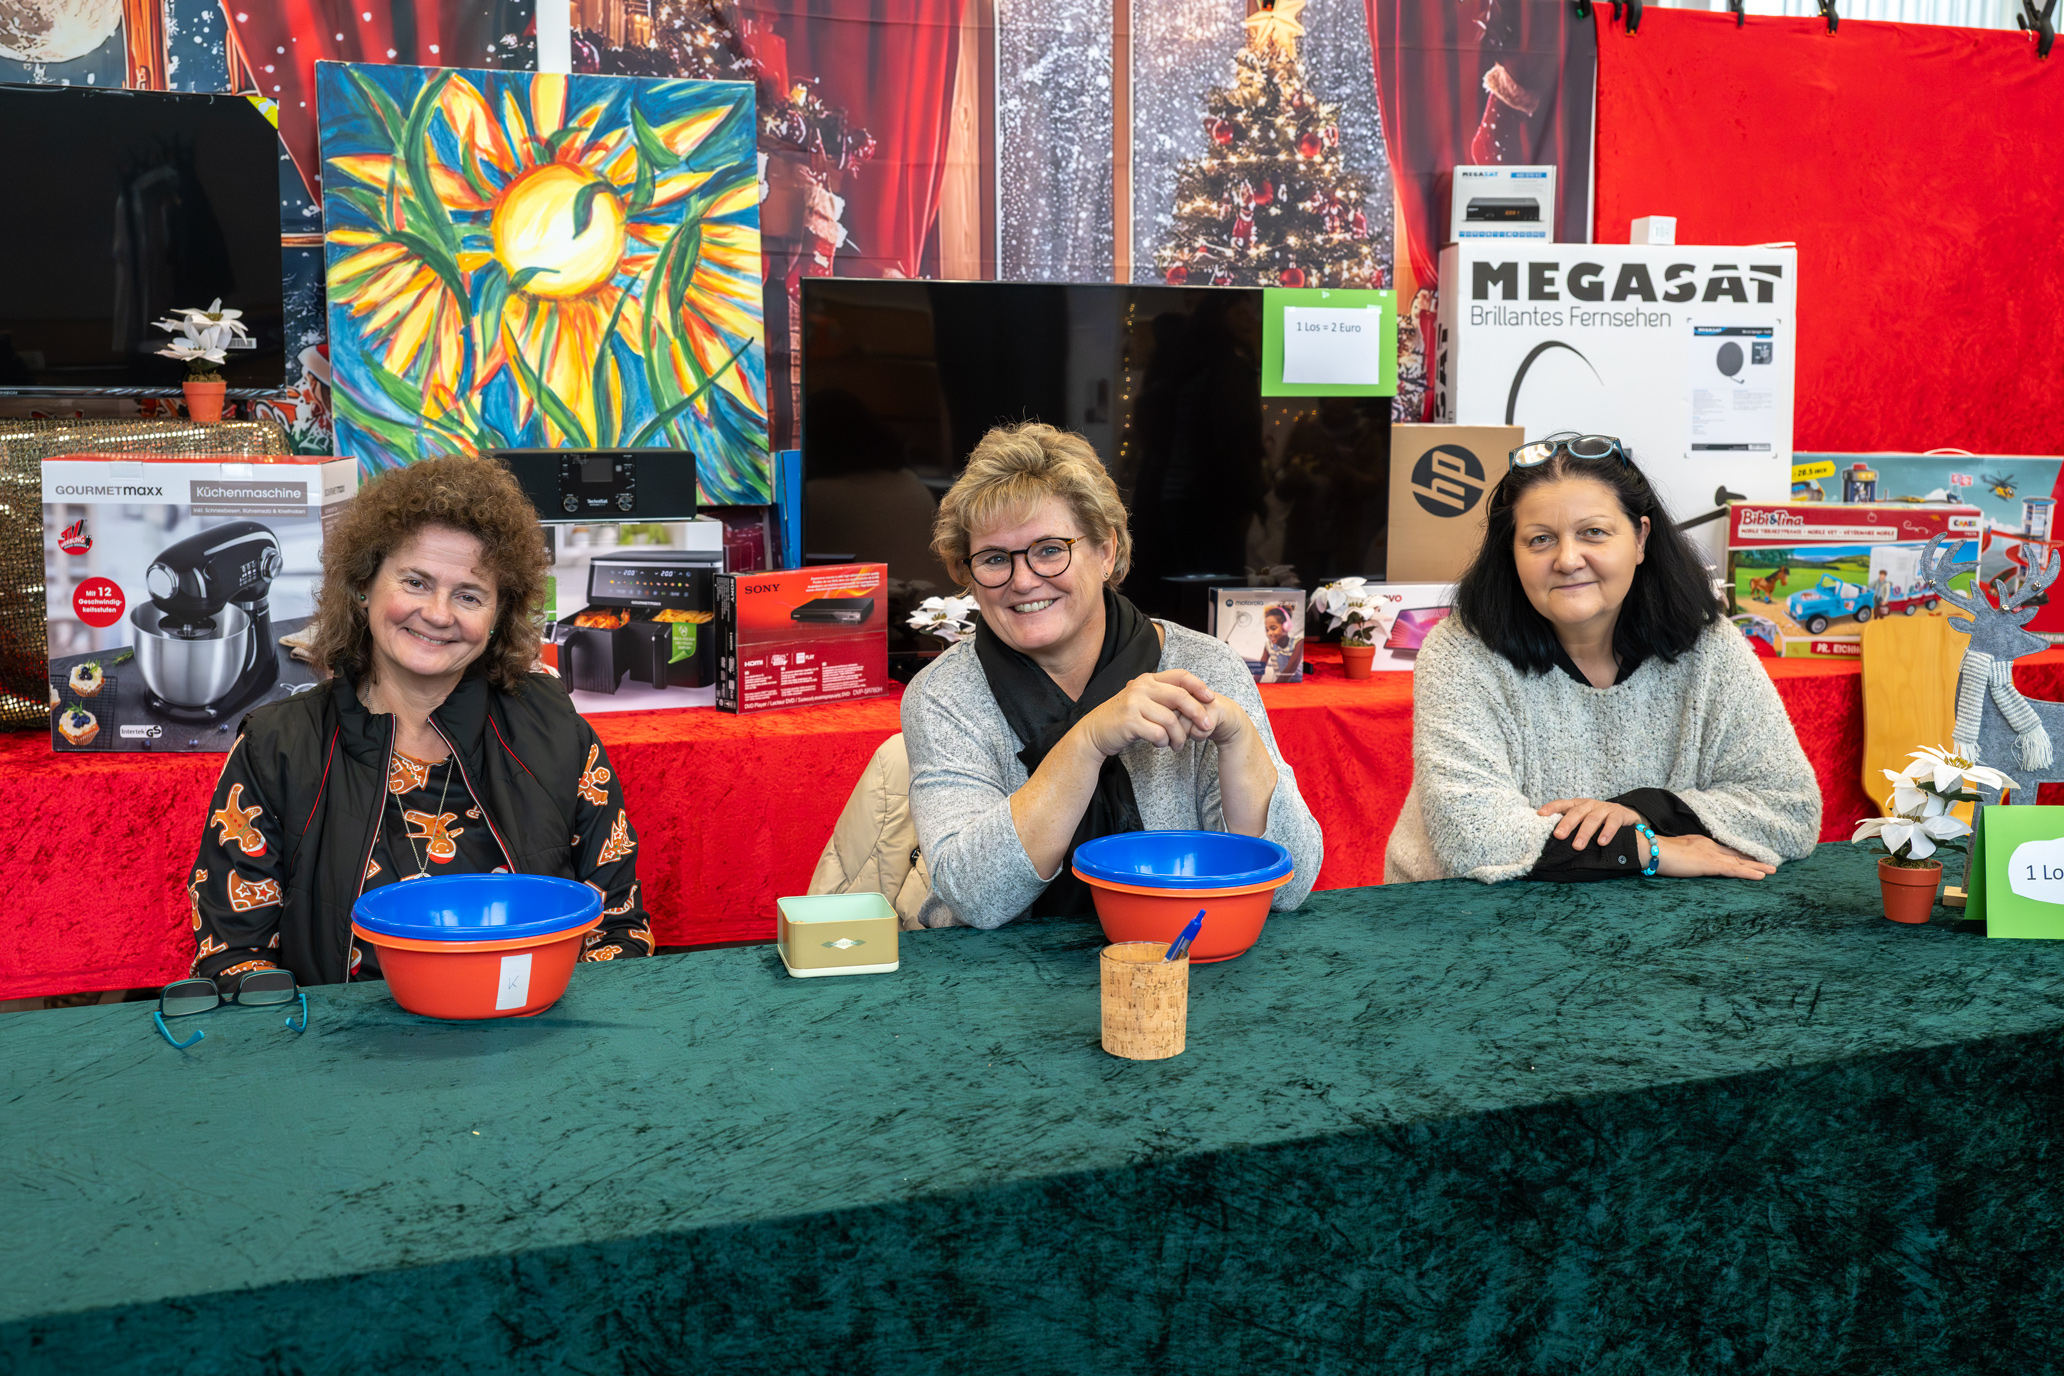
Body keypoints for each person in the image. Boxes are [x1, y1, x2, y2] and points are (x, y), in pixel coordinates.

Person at [186, 455, 654, 991]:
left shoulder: (557, 733)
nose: (437, 613)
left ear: (499, 615)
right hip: (345, 1039)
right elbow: (234, 958)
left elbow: (617, 930)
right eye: (415, 582)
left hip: (534, 1024)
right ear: (363, 585)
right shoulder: (277, 746)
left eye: (469, 595)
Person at [902, 422, 1324, 928]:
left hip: (1182, 956)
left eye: (1049, 550)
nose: (1023, 580)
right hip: (997, 970)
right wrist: (1087, 743)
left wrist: (1240, 742)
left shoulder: (1205, 666)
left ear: (1105, 550)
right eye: (994, 559)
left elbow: (1289, 887)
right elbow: (975, 900)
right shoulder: (944, 694)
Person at [1384, 434, 1820, 884]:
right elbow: (1474, 839)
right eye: (1540, 539)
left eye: (1593, 532)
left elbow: (1791, 811)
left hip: (1651, 917)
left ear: (1641, 538)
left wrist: (1642, 810)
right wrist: (1649, 848)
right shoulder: (1460, 651)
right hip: (1463, 914)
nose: (1568, 559)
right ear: (1511, 553)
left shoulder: (1709, 645)